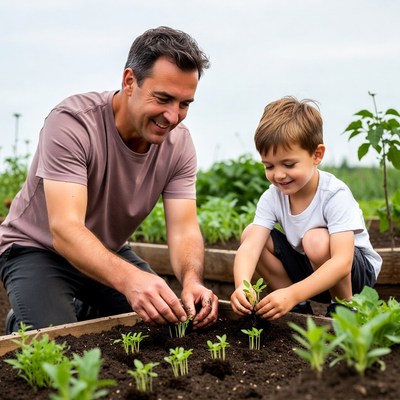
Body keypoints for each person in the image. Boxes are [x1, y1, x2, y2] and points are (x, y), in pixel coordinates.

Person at [0, 26, 219, 333]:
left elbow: (183, 228)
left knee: (170, 327)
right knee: (59, 348)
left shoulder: (179, 143)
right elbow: (65, 229)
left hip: (106, 250)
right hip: (37, 249)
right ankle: (25, 317)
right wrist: (131, 280)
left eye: (184, 104)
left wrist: (192, 281)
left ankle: (86, 308)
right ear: (130, 82)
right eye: (163, 99)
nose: (172, 116)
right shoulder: (73, 123)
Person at [230, 97, 382, 320]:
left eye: (289, 164)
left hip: (354, 275)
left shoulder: (334, 194)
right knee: (251, 233)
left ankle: (345, 307)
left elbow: (342, 262)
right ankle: (298, 308)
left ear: (317, 155)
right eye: (269, 166)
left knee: (316, 240)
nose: (279, 174)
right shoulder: (273, 197)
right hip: (311, 273)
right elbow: (250, 247)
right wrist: (242, 285)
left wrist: (291, 292)